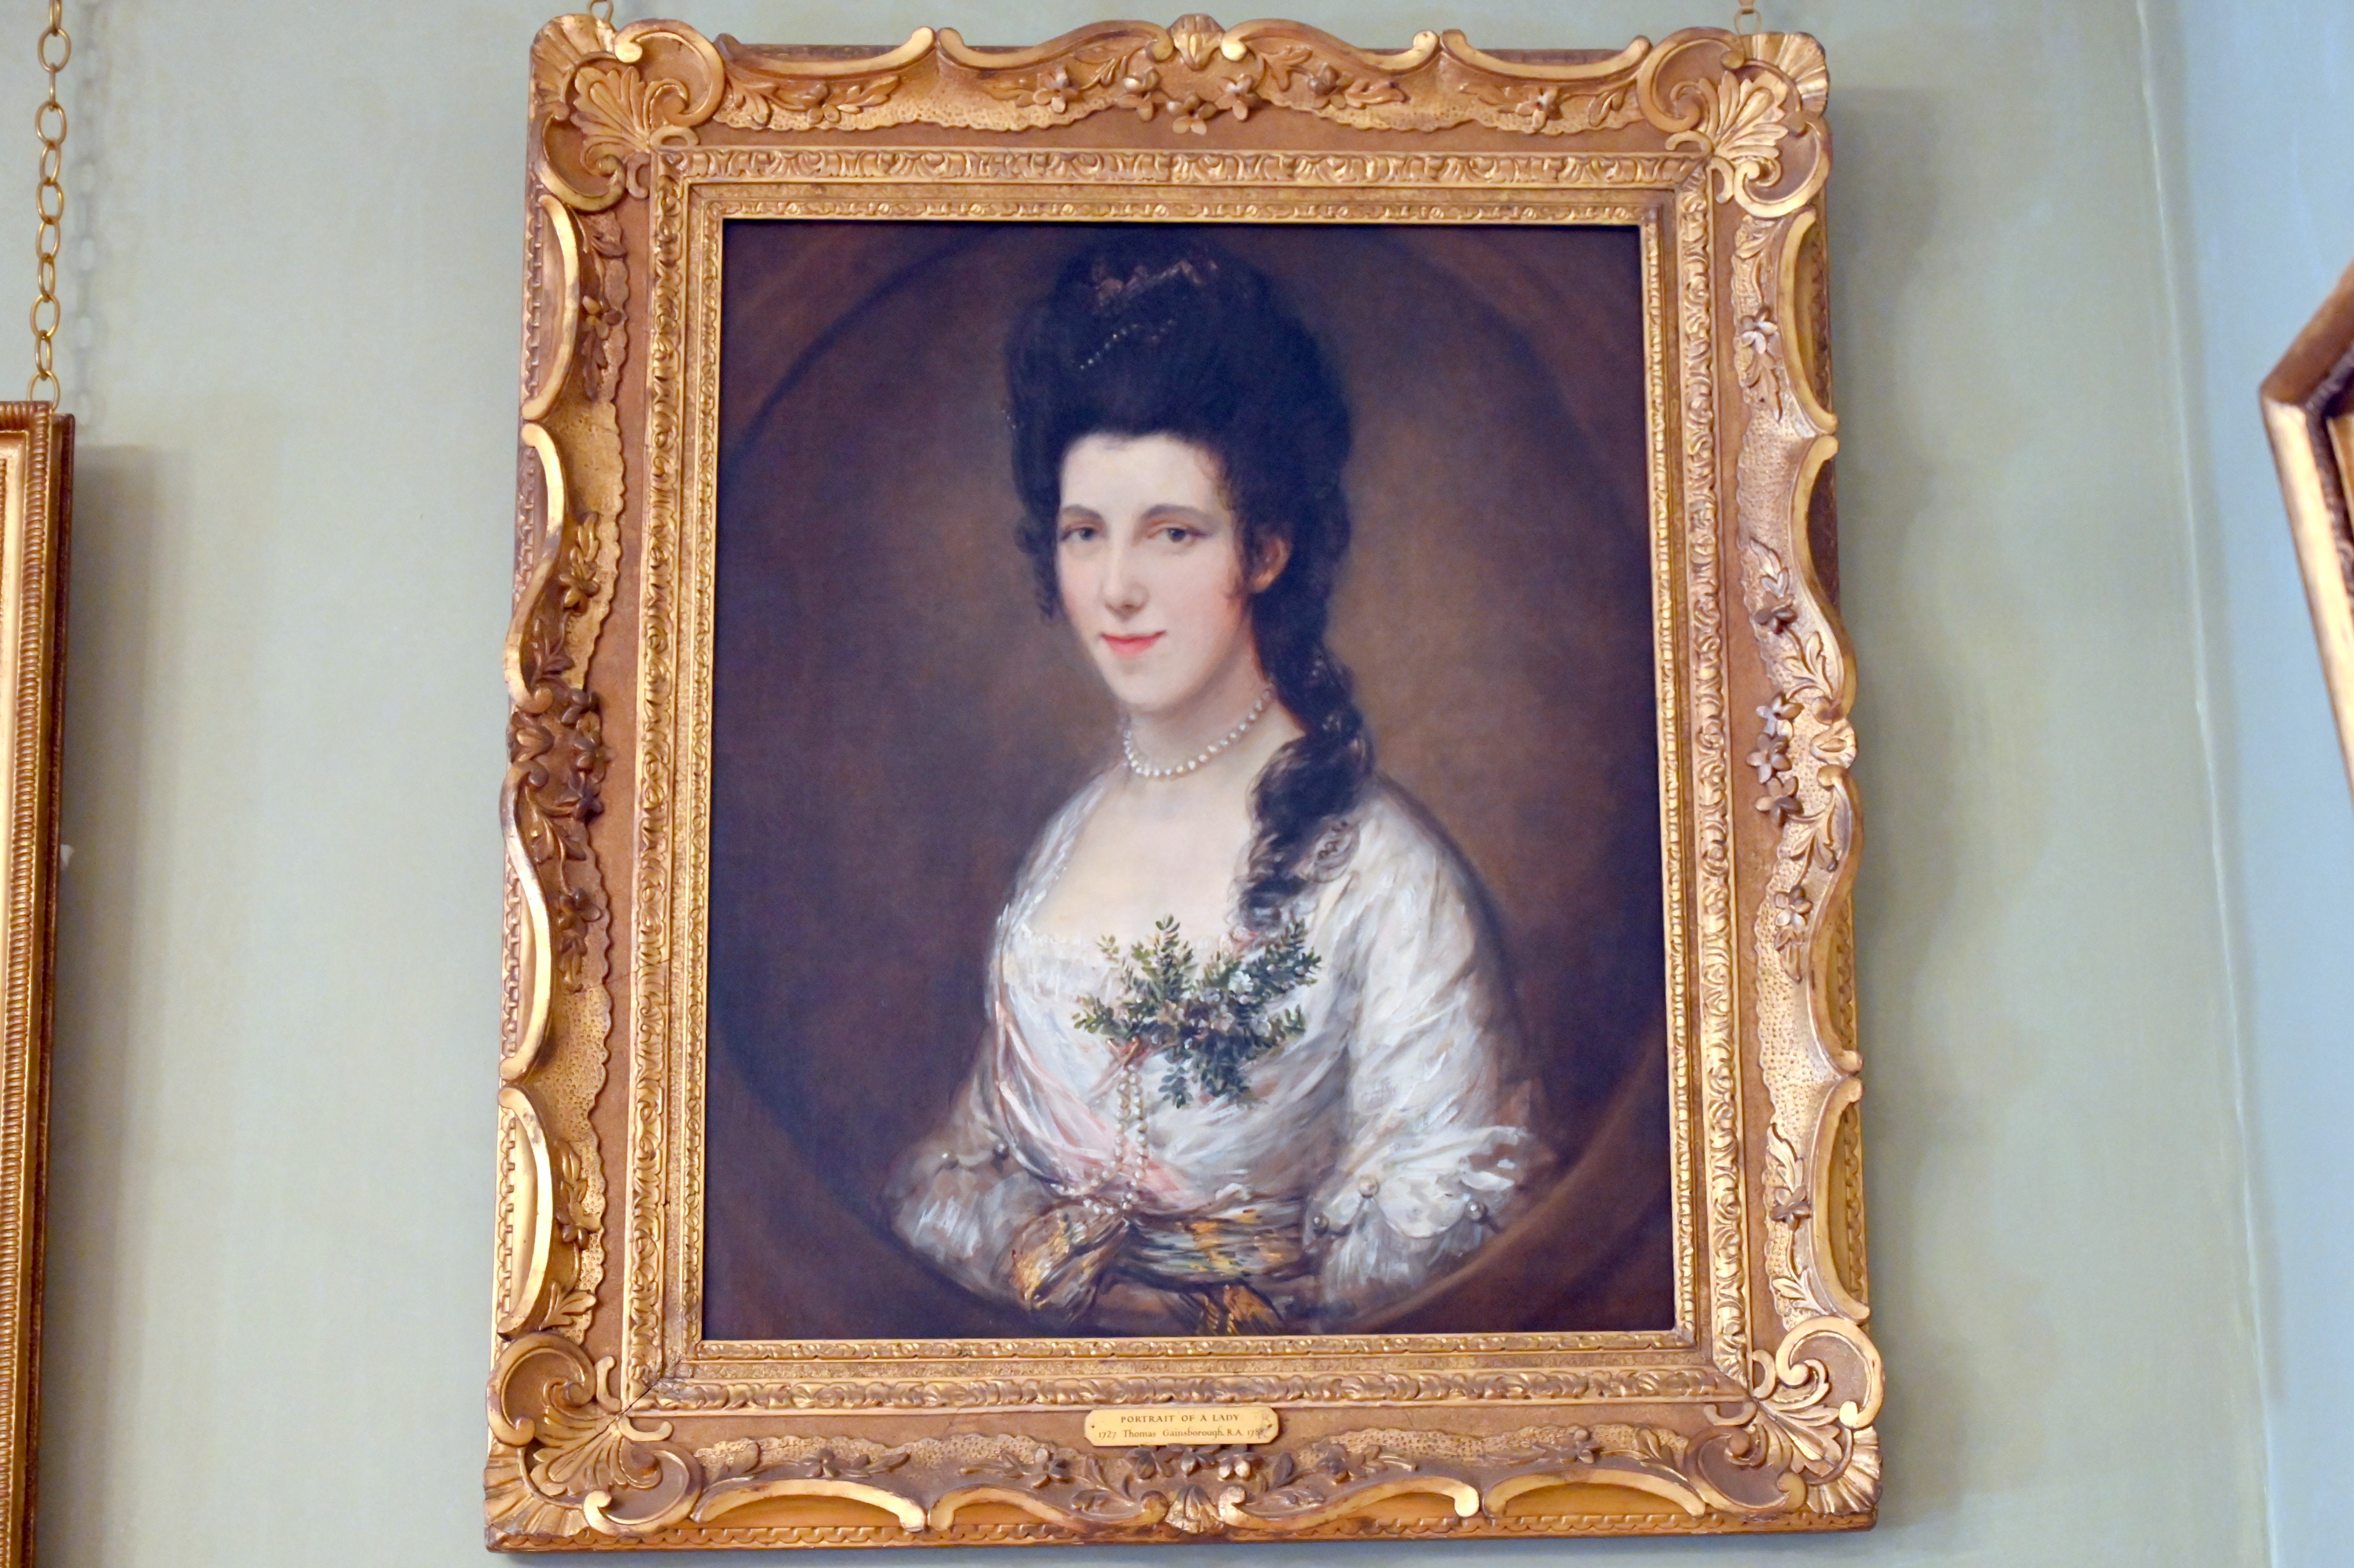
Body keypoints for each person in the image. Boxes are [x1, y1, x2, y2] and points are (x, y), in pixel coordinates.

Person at [886, 235, 1549, 1335]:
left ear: (1266, 549)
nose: (1117, 588)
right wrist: (1064, 1269)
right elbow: (965, 1173)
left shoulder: (1382, 872)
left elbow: (1445, 1210)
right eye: (1084, 533)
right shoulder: (1063, 845)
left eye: (1172, 534)